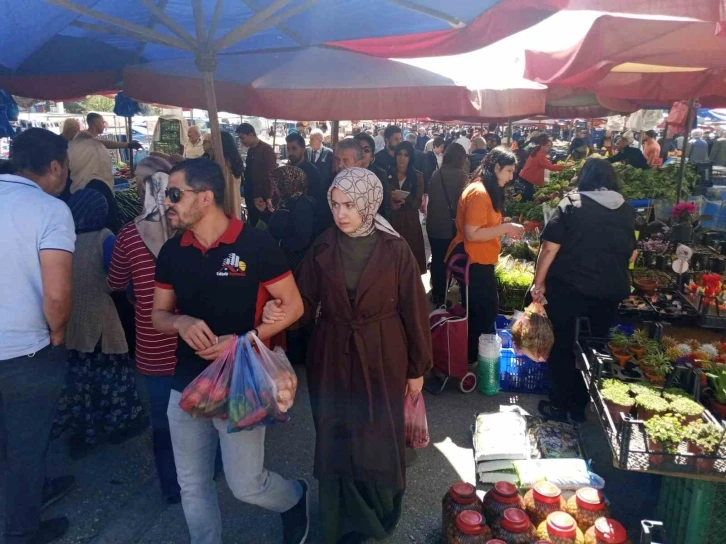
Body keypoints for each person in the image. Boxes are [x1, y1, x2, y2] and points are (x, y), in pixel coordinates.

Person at [150, 158, 309, 544]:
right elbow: (158, 314)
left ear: (205, 198)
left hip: (243, 379)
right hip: (185, 383)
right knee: (192, 484)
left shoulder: (254, 243)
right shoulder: (173, 251)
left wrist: (243, 339)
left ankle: (294, 497)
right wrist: (180, 322)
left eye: (174, 194)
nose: (165, 202)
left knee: (246, 485)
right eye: (163, 194)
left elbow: (295, 306)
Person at [287, 167, 432, 544]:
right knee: (334, 429)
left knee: (378, 431)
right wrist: (278, 313)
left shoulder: (395, 248)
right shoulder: (322, 245)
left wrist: (417, 368)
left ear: (369, 202)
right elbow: (303, 299)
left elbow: (415, 310)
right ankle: (340, 519)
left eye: (350, 204)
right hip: (331, 350)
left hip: (384, 350)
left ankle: (378, 512)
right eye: (335, 204)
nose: (341, 213)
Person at [1, 128, 76, 544]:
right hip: (25, 350)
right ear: (54, 166)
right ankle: (21, 531)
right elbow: (57, 292)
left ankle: (23, 498)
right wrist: (59, 335)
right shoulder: (49, 210)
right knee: (27, 442)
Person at [531, 158, 636, 422]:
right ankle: (581, 405)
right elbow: (632, 253)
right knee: (593, 348)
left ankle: (560, 405)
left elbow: (549, 247)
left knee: (564, 345)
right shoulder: (626, 209)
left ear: (584, 177)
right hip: (610, 292)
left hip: (570, 290)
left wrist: (538, 282)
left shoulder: (572, 204)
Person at [107, 156, 182, 503]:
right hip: (195, 340)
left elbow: (116, 281)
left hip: (154, 344)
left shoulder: (128, 235)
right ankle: (210, 467)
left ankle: (172, 486)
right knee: (205, 408)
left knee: (163, 422)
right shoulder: (191, 231)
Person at [52, 188, 146, 455]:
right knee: (110, 374)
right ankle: (118, 425)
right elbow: (119, 274)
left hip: (72, 320)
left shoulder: (64, 239)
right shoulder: (104, 238)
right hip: (100, 319)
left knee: (80, 380)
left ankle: (84, 432)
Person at [446, 147, 524, 363]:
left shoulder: (485, 190)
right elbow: (472, 233)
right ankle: (474, 358)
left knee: (483, 311)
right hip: (475, 261)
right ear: (496, 167)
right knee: (483, 313)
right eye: (508, 171)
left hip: (481, 259)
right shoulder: (479, 193)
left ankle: (474, 357)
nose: (510, 177)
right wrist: (506, 228)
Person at [427, 143, 469, 305]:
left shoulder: (436, 174)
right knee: (452, 261)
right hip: (450, 229)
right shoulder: (462, 176)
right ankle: (451, 294)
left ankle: (438, 293)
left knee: (437, 260)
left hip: (433, 226)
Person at [388, 141, 427, 274]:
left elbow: (417, 203)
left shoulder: (418, 176)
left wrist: (404, 200)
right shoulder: (387, 173)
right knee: (390, 260)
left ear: (410, 157)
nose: (402, 158)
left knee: (409, 262)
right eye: (399, 154)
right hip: (391, 222)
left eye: (406, 155)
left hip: (410, 223)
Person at [268, 166, 316, 270]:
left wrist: (279, 244)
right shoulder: (286, 201)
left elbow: (300, 241)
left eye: (276, 183)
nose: (273, 186)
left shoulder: (302, 206)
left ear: (287, 183)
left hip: (292, 265)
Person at [237, 122, 275, 227]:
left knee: (263, 224)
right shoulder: (251, 151)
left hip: (262, 196)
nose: (241, 141)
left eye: (242, 138)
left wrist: (269, 196)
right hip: (251, 195)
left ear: (251, 135)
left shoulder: (266, 149)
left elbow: (272, 174)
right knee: (254, 222)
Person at [286, 132, 325, 234]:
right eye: (288, 149)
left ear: (303, 149)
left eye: (294, 148)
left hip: (307, 225)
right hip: (290, 223)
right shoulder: (287, 170)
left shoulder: (312, 172)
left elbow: (316, 200)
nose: (290, 153)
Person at [203, 130, 245, 217]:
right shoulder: (232, 161)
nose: (202, 144)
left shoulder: (223, 163)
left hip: (225, 203)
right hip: (233, 202)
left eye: (207, 142)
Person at [354, 132, 392, 220]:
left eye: (366, 149)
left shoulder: (380, 174)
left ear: (372, 154)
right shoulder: (346, 171)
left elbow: (385, 204)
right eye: (359, 149)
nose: (362, 152)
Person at [519, 136, 566, 201]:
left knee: (527, 194)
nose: (549, 147)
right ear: (542, 145)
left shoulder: (538, 151)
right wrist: (563, 167)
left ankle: (521, 201)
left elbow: (543, 163)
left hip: (526, 175)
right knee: (528, 197)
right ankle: (522, 207)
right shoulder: (540, 155)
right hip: (528, 177)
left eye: (550, 146)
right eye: (547, 146)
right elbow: (551, 167)